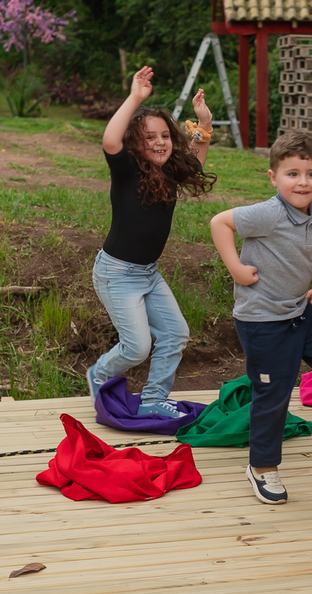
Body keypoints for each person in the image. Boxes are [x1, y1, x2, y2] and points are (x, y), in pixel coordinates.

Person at [210, 131, 312, 505]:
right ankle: (262, 467)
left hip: (300, 314)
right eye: (293, 173)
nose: (303, 182)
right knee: (274, 393)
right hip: (263, 322)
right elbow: (220, 222)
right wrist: (236, 267)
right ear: (273, 177)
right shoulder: (268, 213)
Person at [86, 65, 215, 418]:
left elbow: (196, 162)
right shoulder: (126, 169)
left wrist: (203, 126)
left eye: (164, 136)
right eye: (149, 137)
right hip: (116, 273)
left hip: (148, 273)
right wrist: (135, 97)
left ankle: (155, 399)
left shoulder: (169, 170)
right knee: (137, 347)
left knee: (176, 335)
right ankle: (99, 374)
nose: (159, 142)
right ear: (135, 143)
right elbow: (110, 141)